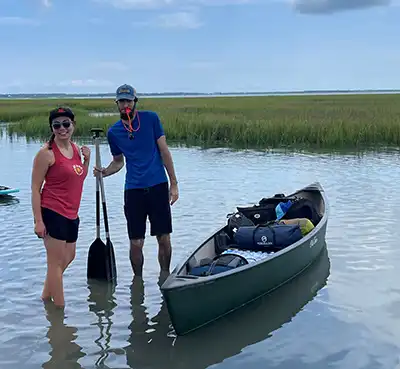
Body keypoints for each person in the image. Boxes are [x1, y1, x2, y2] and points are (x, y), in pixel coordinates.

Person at [94, 84, 179, 277]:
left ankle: (164, 277)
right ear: (117, 103)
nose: (125, 105)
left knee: (163, 237)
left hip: (158, 185)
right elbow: (118, 162)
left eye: (128, 101)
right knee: (135, 242)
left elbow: (164, 151)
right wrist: (105, 172)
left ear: (135, 102)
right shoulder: (114, 132)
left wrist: (173, 184)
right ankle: (137, 282)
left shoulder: (151, 119)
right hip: (133, 190)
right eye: (121, 101)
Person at [31, 106, 90, 307]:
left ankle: (46, 297)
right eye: (57, 125)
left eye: (66, 124)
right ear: (52, 128)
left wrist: (87, 161)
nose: (62, 128)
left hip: (72, 214)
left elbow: (79, 177)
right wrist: (38, 221)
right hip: (52, 211)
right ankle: (58, 314)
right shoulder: (46, 154)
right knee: (55, 264)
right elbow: (35, 188)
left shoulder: (74, 149)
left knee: (69, 256)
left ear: (73, 125)